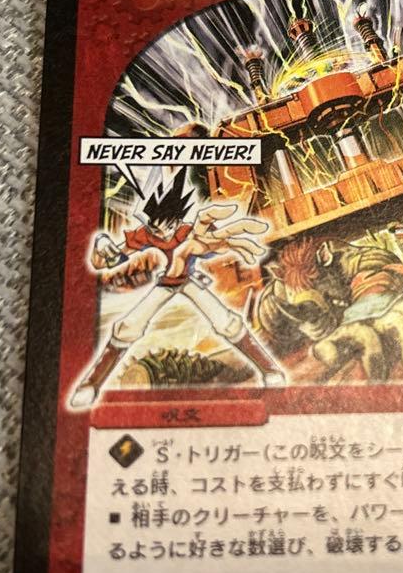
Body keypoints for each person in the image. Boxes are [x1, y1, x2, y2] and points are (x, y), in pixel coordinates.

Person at [70, 174, 284, 407]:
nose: (162, 234)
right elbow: (106, 262)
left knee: (227, 323)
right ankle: (91, 385)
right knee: (127, 327)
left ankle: (270, 370)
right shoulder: (147, 233)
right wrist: (102, 244)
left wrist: (213, 247)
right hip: (167, 281)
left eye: (168, 227)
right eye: (156, 228)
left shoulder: (189, 230)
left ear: (177, 219)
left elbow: (211, 246)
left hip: (190, 280)